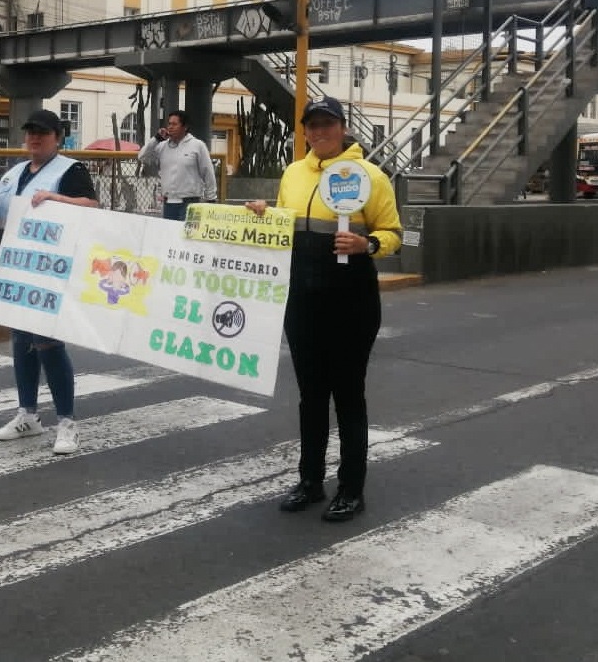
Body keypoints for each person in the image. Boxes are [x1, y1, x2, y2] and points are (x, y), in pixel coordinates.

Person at [246, 96, 402, 522]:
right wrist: (265, 214)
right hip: (302, 298)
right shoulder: (294, 173)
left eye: (327, 124)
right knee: (311, 396)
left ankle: (352, 488)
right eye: (312, 126)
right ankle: (310, 481)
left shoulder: (370, 176)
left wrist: (367, 244)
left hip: (351, 297)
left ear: (343, 127)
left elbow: (394, 234)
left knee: (349, 394)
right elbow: (287, 222)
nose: (319, 132)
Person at [0, 109, 99, 455]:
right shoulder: (13, 175)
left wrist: (58, 198)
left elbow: (91, 204)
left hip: (48, 272)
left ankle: (67, 423)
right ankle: (27, 414)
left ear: (58, 137)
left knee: (48, 343)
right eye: (30, 132)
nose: (34, 138)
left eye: (42, 132)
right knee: (21, 341)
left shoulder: (69, 170)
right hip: (13, 271)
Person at [137, 109, 218, 221]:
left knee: (187, 236)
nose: (170, 127)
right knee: (170, 237)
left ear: (185, 127)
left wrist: (211, 198)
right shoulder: (162, 146)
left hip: (190, 203)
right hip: (168, 204)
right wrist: (156, 139)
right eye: (169, 124)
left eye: (175, 124)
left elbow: (207, 172)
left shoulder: (197, 146)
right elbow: (142, 156)